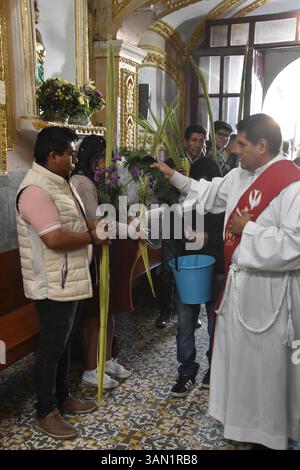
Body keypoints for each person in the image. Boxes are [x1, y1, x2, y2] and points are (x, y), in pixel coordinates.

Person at [153, 113, 300, 449]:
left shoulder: (292, 185)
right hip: (238, 287)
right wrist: (172, 174)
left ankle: (270, 430)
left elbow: (295, 244)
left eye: (243, 144)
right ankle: (241, 423)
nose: (236, 150)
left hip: (271, 293)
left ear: (262, 146)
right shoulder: (237, 176)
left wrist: (250, 229)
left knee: (267, 366)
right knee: (240, 361)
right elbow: (207, 194)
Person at [16, 127, 107, 439]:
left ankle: (62, 396)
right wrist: (90, 236)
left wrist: (95, 226)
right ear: (52, 156)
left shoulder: (60, 183)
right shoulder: (36, 191)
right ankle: (45, 411)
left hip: (66, 279)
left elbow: (74, 222)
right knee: (52, 347)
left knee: (64, 343)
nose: (73, 158)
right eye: (69, 153)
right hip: (51, 283)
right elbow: (53, 238)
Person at [71, 135, 132, 389]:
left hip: (109, 250)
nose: (108, 162)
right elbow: (95, 223)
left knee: (109, 308)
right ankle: (90, 367)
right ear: (94, 157)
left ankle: (107, 359)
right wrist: (124, 227)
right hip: (93, 254)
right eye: (104, 156)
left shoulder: (100, 181)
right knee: (95, 312)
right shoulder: (81, 182)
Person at [170, 157, 224, 398]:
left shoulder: (223, 203)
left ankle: (215, 367)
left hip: (217, 268)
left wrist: (208, 236)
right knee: (185, 323)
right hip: (189, 269)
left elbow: (228, 236)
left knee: (216, 323)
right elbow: (177, 234)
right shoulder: (186, 202)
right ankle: (187, 370)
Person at [155, 125, 206, 329]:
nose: (197, 144)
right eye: (194, 140)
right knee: (168, 269)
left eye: (201, 141)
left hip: (196, 223)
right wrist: (174, 178)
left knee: (191, 269)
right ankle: (165, 311)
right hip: (172, 222)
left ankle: (191, 313)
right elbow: (158, 192)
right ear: (185, 141)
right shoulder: (170, 163)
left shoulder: (205, 163)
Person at [34, 0, 46, 84]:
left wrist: (38, 47)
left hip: (37, 64)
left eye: (37, 11)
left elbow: (42, 49)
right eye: (35, 11)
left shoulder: (36, 32)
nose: (37, 14)